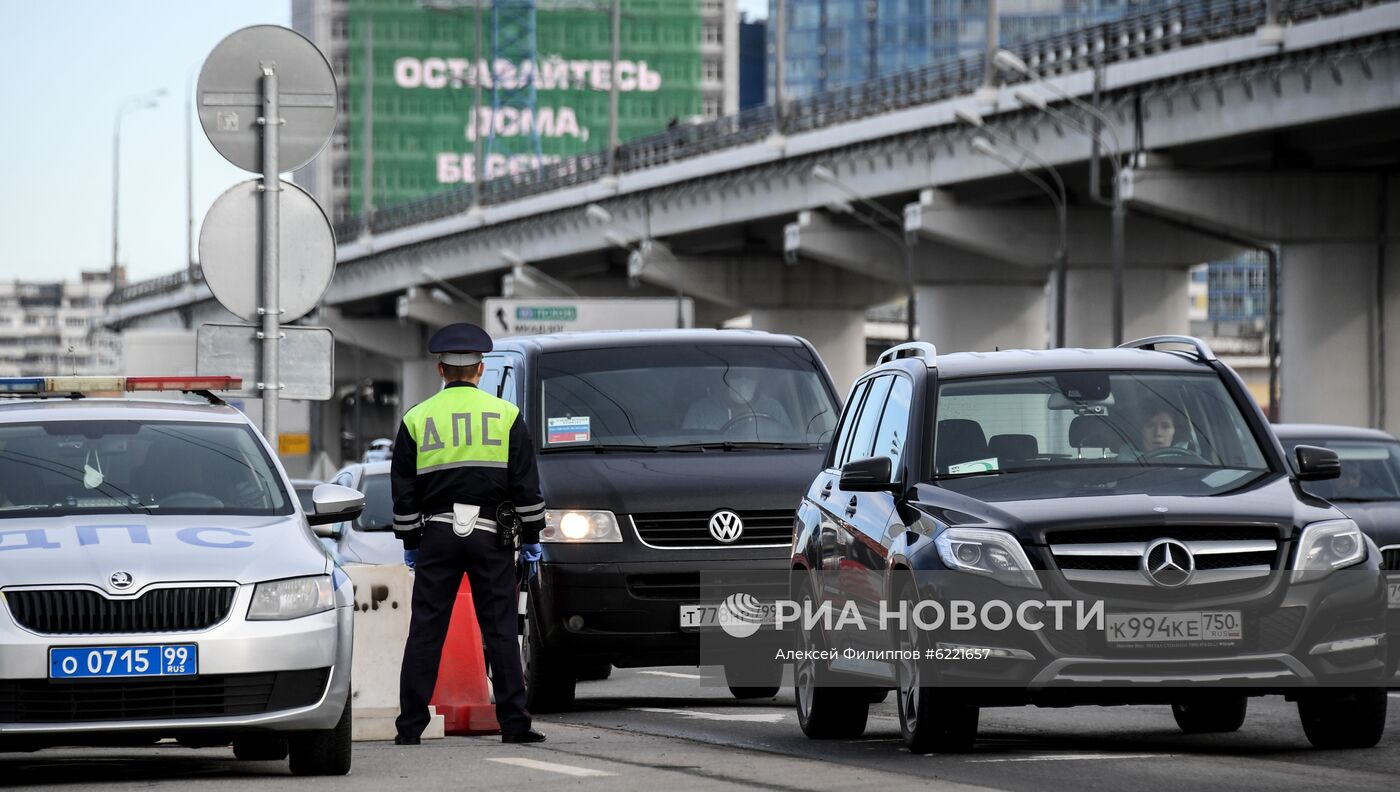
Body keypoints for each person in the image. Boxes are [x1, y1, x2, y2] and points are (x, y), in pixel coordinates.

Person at [390, 323, 547, 746]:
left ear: (440, 370)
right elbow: (526, 487)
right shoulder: (507, 416)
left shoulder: (416, 418)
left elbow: (403, 492)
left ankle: (410, 727)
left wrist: (411, 544)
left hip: (437, 535)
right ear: (480, 370)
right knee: (499, 631)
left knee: (426, 630)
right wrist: (531, 536)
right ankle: (514, 724)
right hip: (491, 536)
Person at [681, 369, 794, 434]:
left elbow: (790, 441)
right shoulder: (700, 411)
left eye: (749, 375)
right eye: (736, 374)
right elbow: (686, 448)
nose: (743, 380)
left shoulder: (772, 409)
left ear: (758, 380)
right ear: (723, 380)